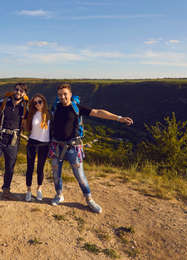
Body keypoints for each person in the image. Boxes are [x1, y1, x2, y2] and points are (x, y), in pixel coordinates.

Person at [49, 83, 133, 213]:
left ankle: (89, 200)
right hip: (56, 146)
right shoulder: (55, 108)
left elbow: (98, 112)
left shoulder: (77, 108)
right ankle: (59, 195)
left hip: (73, 147)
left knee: (80, 176)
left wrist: (119, 118)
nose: (62, 97)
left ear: (70, 95)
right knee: (56, 174)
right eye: (60, 95)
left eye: (65, 94)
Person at [23, 94, 50, 202]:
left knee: (40, 168)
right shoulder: (31, 114)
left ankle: (39, 188)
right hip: (32, 143)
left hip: (45, 144)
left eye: (40, 102)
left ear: (44, 102)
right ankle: (28, 190)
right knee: (30, 167)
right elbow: (25, 127)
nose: (37, 104)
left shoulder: (49, 114)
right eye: (35, 103)